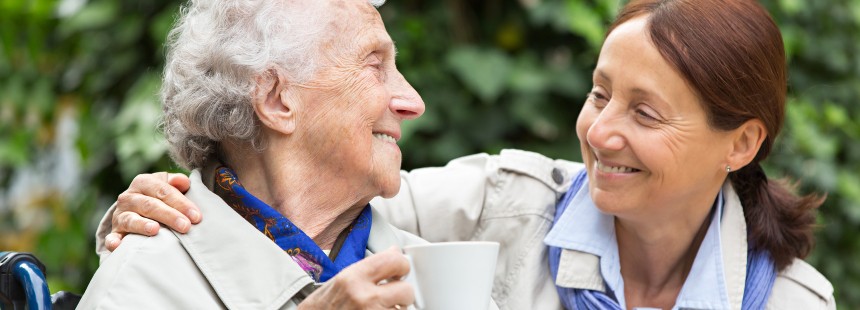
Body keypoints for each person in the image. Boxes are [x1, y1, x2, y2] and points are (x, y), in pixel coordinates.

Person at [98, 0, 836, 308]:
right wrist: (149, 212)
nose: (601, 133)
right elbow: (271, 206)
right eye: (599, 94)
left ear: (741, 144)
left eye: (645, 113)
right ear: (278, 99)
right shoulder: (498, 208)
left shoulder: (789, 299)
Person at [75, 0, 464, 308]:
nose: (413, 101)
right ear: (277, 100)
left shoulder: (444, 277)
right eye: (375, 66)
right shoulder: (141, 287)